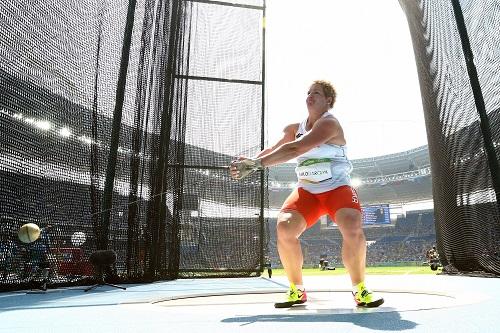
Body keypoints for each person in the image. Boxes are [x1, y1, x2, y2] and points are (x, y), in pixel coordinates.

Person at [230, 80, 384, 308]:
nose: (310, 96)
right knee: (284, 226)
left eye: (317, 93)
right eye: (308, 92)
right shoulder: (293, 128)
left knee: (351, 224)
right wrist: (251, 160)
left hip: (336, 187)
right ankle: (296, 290)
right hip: (308, 191)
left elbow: (296, 148)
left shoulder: (330, 123)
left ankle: (360, 289)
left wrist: (256, 165)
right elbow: (275, 149)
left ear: (328, 101)